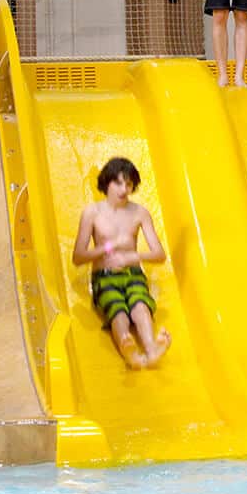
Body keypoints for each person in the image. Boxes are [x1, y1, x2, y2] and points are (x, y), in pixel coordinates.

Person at [72, 157, 171, 370]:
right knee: (117, 309)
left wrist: (132, 257)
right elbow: (78, 257)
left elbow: (159, 254)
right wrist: (110, 247)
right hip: (105, 275)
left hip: (133, 273)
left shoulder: (139, 213)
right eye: (118, 183)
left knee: (141, 305)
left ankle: (152, 349)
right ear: (106, 184)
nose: (124, 189)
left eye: (128, 184)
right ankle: (129, 348)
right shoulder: (93, 213)